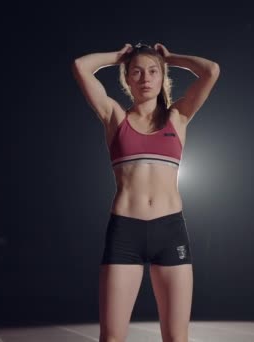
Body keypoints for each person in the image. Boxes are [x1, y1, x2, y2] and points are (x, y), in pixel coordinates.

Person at [72, 42, 219, 342]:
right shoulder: (115, 117)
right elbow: (80, 67)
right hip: (125, 232)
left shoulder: (178, 118)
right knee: (112, 337)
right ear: (127, 79)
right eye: (136, 72)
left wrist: (170, 57)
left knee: (176, 338)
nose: (145, 78)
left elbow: (211, 71)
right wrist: (118, 57)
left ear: (163, 76)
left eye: (153, 72)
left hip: (170, 231)